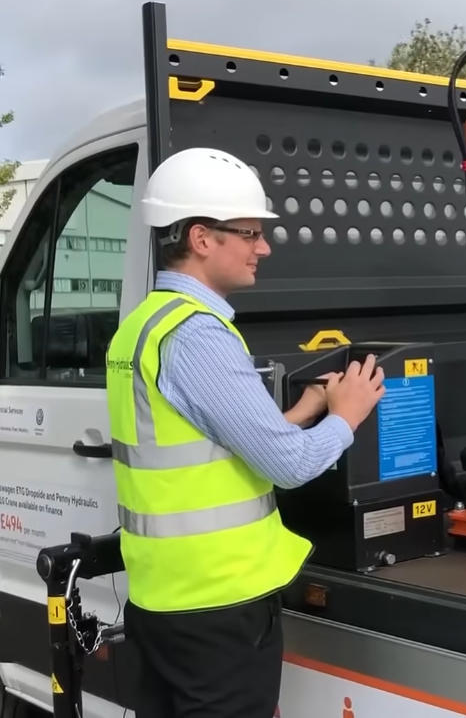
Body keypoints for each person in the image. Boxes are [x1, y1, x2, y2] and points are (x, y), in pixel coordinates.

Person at [105, 147, 386, 718]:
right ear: (202, 238)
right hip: (219, 609)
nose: (264, 247)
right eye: (250, 233)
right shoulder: (199, 336)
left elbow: (207, 445)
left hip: (163, 599)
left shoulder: (144, 325)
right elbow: (288, 466)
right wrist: (347, 416)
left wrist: (302, 411)